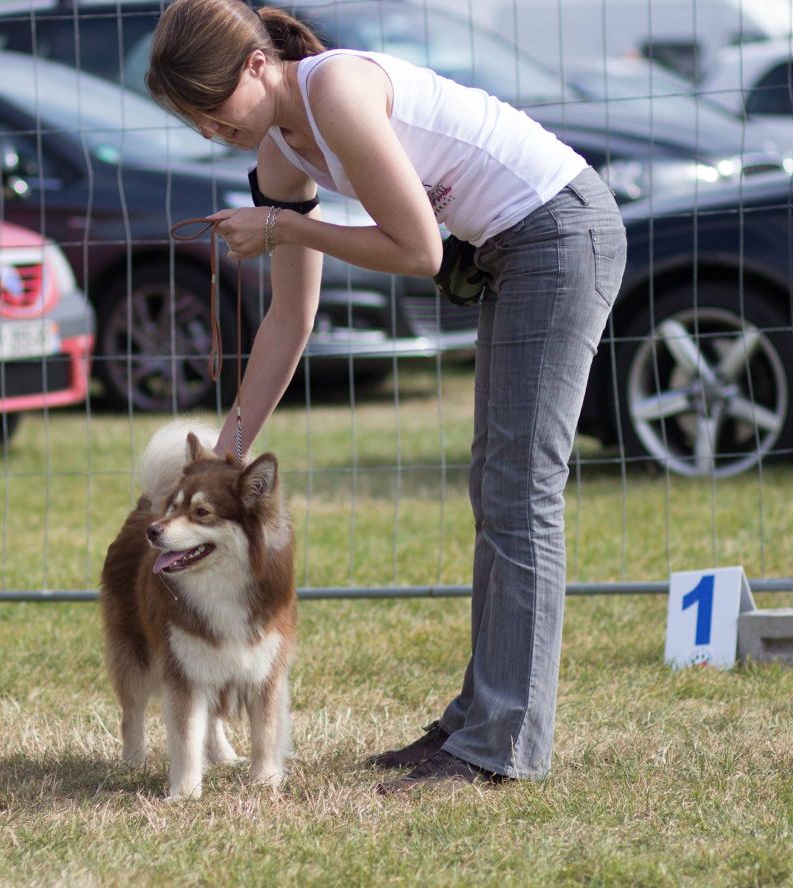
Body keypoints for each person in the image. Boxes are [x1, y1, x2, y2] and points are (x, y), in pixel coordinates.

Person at [145, 0, 627, 792]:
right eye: (191, 119)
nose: (208, 130)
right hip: (512, 246)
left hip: (559, 232)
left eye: (212, 106)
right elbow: (291, 317)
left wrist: (288, 229)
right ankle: (474, 722)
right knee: (499, 488)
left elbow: (418, 248)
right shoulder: (279, 148)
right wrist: (231, 447)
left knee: (520, 492)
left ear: (257, 65)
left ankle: (501, 744)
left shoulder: (335, 90)